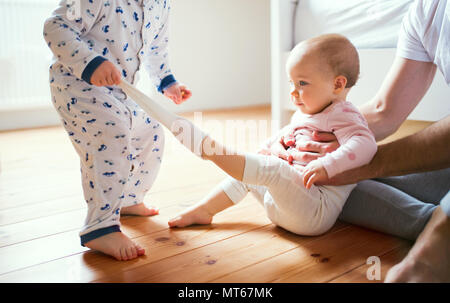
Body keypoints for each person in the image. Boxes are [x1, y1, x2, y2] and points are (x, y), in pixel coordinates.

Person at [119, 34, 378, 238]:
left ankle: (212, 150)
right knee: (252, 172)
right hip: (286, 204)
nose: (293, 92)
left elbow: (365, 144)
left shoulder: (344, 114)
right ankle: (205, 210)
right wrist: (265, 151)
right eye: (291, 83)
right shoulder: (308, 112)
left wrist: (327, 165)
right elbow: (284, 138)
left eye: (302, 84)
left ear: (338, 84)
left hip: (314, 211)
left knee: (272, 170)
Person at [286, 0, 450, 282]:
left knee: (343, 176)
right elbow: (384, 110)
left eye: (302, 83)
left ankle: (431, 228)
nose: (294, 93)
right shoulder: (426, 11)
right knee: (328, 184)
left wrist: (361, 162)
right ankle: (428, 217)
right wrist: (320, 134)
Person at [43, 0, 191, 261]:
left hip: (121, 91)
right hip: (77, 84)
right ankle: (100, 227)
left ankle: (129, 198)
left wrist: (167, 81)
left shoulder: (161, 5)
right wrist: (90, 62)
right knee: (111, 138)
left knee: (150, 131)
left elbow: (156, 48)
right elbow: (55, 26)